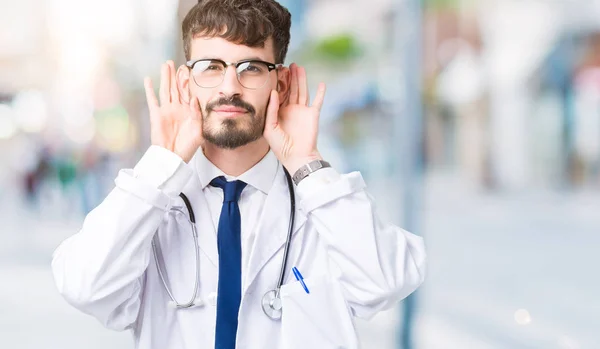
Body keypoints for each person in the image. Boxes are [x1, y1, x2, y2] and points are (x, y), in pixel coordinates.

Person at [51, 1, 426, 348]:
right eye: (211, 67)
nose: (230, 88)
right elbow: (85, 286)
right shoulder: (152, 206)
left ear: (279, 83)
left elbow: (387, 282)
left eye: (250, 68)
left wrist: (306, 164)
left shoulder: (322, 208)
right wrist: (161, 164)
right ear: (185, 83)